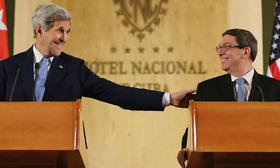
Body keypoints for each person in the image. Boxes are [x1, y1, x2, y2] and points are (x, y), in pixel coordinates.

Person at [0, 3, 195, 111]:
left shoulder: (74, 69)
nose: (65, 38)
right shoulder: (9, 68)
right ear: (40, 30)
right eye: (60, 31)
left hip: (61, 155)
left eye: (68, 31)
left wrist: (168, 98)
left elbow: (118, 94)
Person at [177, 28, 280, 168]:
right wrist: (185, 148)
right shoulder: (208, 88)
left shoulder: (274, 88)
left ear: (245, 51)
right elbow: (196, 126)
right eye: (219, 48)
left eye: (226, 46)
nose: (220, 52)